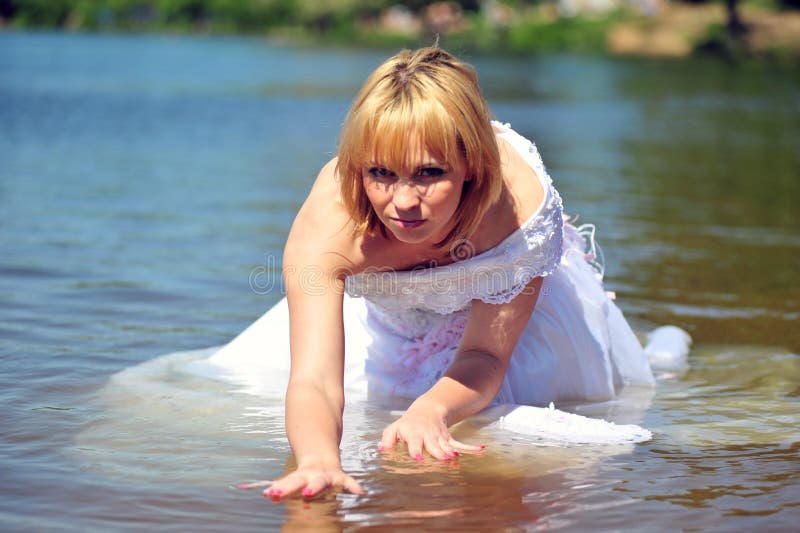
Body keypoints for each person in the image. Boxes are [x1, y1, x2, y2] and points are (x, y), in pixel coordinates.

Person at [204, 46, 657, 500]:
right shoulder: (332, 224)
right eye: (380, 171)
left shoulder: (514, 213)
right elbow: (316, 379)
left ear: (471, 168)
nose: (401, 202)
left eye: (428, 173)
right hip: (391, 324)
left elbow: (486, 355)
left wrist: (433, 408)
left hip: (507, 326)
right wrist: (318, 459)